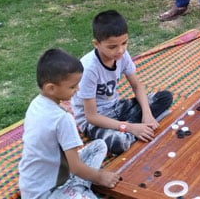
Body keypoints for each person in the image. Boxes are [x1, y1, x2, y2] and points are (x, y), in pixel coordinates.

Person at [18, 48, 122, 199]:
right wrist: (100, 177)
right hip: (47, 192)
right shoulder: (62, 118)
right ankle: (79, 190)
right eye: (73, 86)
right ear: (51, 88)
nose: (77, 89)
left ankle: (78, 187)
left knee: (99, 146)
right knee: (85, 177)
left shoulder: (36, 104)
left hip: (32, 183)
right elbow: (76, 167)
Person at [71, 10, 174, 155]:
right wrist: (130, 127)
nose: (120, 50)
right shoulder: (88, 69)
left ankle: (136, 126)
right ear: (96, 44)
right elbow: (91, 117)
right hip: (94, 121)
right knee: (120, 143)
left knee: (165, 97)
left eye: (124, 43)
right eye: (112, 47)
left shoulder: (123, 55)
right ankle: (134, 128)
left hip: (116, 108)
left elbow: (137, 86)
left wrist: (147, 113)